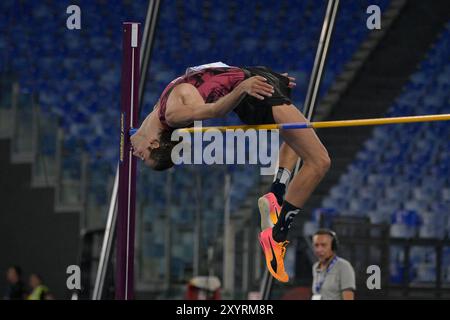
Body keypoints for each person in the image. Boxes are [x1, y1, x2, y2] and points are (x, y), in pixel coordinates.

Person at [131, 62, 331, 283]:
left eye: (142, 156)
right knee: (318, 161)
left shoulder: (166, 116)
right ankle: (277, 236)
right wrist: (245, 86)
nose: (138, 155)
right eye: (142, 157)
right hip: (248, 91)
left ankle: (276, 195)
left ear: (155, 144)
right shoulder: (162, 115)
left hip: (250, 81)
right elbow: (215, 105)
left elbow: (214, 86)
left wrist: (265, 78)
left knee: (301, 142)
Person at [311, 229, 355, 300]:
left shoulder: (344, 266)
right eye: (316, 245)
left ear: (333, 246)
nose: (319, 249)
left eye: (323, 245)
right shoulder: (315, 267)